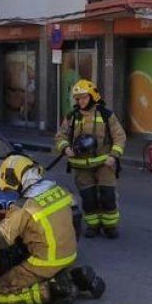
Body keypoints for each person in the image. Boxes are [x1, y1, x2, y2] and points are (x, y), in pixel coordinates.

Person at [0, 154, 105, 304]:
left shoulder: (24, 206)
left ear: (15, 178)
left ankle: (55, 289)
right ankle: (73, 277)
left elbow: (0, 240)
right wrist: (8, 215)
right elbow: (55, 216)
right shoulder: (58, 189)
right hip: (69, 255)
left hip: (45, 263)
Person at [55, 80, 127, 239]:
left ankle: (110, 226)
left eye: (83, 97)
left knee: (108, 196)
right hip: (81, 167)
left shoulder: (106, 114)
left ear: (93, 96)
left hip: (104, 164)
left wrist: (114, 156)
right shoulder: (72, 117)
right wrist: (66, 148)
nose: (80, 101)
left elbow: (119, 136)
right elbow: (60, 136)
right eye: (77, 98)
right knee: (89, 199)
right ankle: (93, 226)